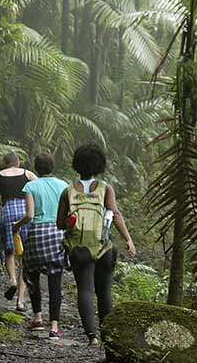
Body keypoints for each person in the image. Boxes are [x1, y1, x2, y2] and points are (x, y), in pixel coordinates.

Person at [58, 143, 136, 347]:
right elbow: (116, 214)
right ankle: (108, 336)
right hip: (103, 248)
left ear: (76, 165)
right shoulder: (105, 188)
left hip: (79, 249)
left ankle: (92, 336)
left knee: (84, 290)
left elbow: (60, 223)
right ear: (100, 165)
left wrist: (70, 222)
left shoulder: (68, 191)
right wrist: (128, 239)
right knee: (104, 292)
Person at [14, 151, 68, 338]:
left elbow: (29, 215)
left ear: (36, 168)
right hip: (57, 233)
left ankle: (37, 317)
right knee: (55, 282)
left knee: (32, 275)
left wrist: (16, 226)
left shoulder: (31, 186)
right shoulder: (64, 185)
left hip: (37, 233)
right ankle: (54, 327)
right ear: (53, 167)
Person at [0, 152, 35, 309]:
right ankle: (21, 300)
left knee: (9, 251)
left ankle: (12, 281)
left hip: (8, 212)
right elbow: (39, 192)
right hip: (25, 213)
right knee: (25, 257)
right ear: (18, 162)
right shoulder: (28, 174)